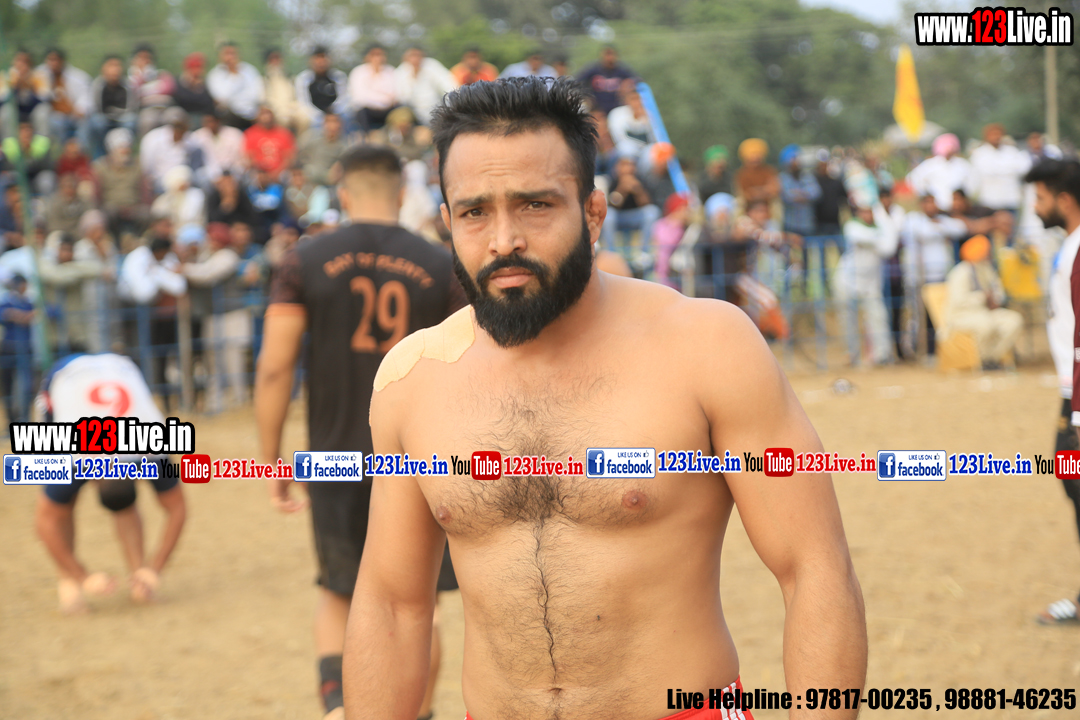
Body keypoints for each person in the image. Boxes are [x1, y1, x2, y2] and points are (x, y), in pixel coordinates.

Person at [345, 76, 866, 720]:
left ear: (593, 213)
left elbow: (814, 568)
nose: (504, 240)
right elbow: (393, 605)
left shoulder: (707, 346)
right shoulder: (412, 378)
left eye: (535, 205)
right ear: (447, 222)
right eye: (475, 212)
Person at [255, 144, 468, 720]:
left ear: (344, 194)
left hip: (333, 456)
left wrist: (272, 460)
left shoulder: (303, 260)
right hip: (418, 459)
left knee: (338, 591)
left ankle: (337, 709)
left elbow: (274, 367)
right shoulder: (440, 263)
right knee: (420, 602)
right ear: (401, 194)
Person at [33, 352, 186, 613]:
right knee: (62, 504)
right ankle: (69, 582)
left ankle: (140, 578)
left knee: (106, 502)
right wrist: (83, 576)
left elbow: (178, 509)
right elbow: (45, 521)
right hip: (64, 375)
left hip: (121, 367)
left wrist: (154, 569)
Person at [1026, 159, 1080, 624]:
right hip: (1070, 393)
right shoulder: (1070, 246)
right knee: (1071, 479)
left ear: (1064, 200)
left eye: (1040, 198)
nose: (1034, 207)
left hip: (1077, 398)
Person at [900, 194, 968, 357]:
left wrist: (940, 226)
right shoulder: (913, 220)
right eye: (927, 203)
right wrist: (940, 228)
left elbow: (961, 228)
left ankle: (938, 350)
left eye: (933, 203)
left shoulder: (942, 220)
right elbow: (922, 232)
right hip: (920, 278)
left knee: (939, 315)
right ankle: (918, 350)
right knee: (919, 316)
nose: (930, 206)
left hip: (940, 278)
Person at [944, 234, 1022, 369]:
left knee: (1013, 321)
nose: (988, 255)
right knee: (985, 325)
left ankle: (992, 358)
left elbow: (998, 291)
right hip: (962, 314)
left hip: (985, 312)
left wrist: (995, 300)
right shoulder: (961, 272)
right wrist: (982, 297)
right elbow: (959, 301)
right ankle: (983, 360)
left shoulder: (986, 269)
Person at [834, 203, 898, 366]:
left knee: (878, 317)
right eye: (863, 212)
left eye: (869, 212)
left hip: (870, 283)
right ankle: (852, 355)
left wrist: (880, 232)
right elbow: (859, 237)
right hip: (846, 280)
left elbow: (889, 248)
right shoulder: (852, 226)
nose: (866, 215)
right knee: (847, 320)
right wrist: (880, 237)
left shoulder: (881, 226)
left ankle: (882, 356)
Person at [601, 154, 660, 263]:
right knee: (608, 215)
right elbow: (613, 204)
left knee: (652, 211)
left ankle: (644, 253)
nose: (628, 168)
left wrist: (638, 190)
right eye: (624, 165)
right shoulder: (613, 180)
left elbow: (646, 204)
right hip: (619, 218)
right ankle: (611, 254)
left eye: (631, 165)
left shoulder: (641, 180)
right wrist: (622, 189)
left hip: (635, 217)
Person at [968, 123, 1032, 218]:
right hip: (989, 202)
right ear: (986, 136)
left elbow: (1023, 170)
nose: (996, 137)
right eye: (993, 134)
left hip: (1010, 200)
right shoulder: (979, 154)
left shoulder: (1012, 152)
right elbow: (974, 179)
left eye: (998, 134)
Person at [35, 47, 92, 147]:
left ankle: (82, 152)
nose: (54, 63)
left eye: (56, 60)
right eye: (50, 60)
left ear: (62, 61)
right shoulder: (39, 75)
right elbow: (41, 96)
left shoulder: (78, 76)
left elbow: (85, 97)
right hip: (54, 115)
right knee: (57, 123)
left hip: (74, 114)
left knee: (87, 124)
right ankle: (64, 152)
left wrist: (80, 109)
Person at [88, 55, 138, 160]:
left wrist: (117, 113)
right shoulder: (98, 85)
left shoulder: (128, 85)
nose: (115, 69)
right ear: (103, 69)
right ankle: (101, 156)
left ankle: (125, 155)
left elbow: (132, 106)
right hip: (104, 117)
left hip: (122, 117)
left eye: (117, 65)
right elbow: (95, 107)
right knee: (96, 122)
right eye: (111, 65)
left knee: (131, 121)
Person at [906, 132, 971, 213]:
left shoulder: (962, 164)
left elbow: (972, 184)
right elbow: (914, 179)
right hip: (936, 209)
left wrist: (963, 200)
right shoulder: (930, 164)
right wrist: (927, 197)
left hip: (958, 209)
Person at [0, 274, 35, 422]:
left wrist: (16, 315)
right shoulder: (7, 301)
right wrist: (22, 316)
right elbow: (5, 315)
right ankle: (11, 421)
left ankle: (25, 418)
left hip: (25, 346)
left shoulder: (28, 302)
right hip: (8, 347)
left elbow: (39, 313)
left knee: (27, 386)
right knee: (7, 386)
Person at [394, 46, 458, 127]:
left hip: (436, 110)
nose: (415, 59)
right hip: (412, 113)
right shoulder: (401, 71)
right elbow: (401, 97)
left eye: (417, 55)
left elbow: (449, 86)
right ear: (405, 58)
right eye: (412, 56)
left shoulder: (432, 66)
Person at [206, 42, 264, 131]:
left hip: (251, 114)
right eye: (227, 54)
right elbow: (222, 98)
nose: (230, 57)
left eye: (233, 53)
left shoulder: (249, 70)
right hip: (230, 117)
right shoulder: (215, 75)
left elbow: (257, 94)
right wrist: (234, 74)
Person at [139, 106, 196, 193]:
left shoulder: (190, 140)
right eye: (178, 126)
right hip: (160, 181)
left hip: (182, 180)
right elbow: (147, 166)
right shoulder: (153, 138)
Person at [348, 44, 397, 137]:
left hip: (388, 110)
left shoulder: (391, 71)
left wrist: (379, 98)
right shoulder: (358, 72)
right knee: (361, 113)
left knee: (401, 112)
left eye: (380, 55)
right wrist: (383, 98)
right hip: (367, 111)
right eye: (374, 55)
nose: (377, 58)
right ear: (367, 57)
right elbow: (359, 97)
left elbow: (395, 95)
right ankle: (367, 138)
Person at [127, 43, 175, 137]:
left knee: (176, 117)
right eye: (141, 58)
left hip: (166, 108)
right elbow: (134, 95)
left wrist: (146, 90)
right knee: (149, 121)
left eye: (147, 58)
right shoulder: (130, 81)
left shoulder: (162, 75)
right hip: (146, 111)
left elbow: (168, 89)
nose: (145, 62)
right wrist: (140, 77)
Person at [295, 46, 349, 127]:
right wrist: (321, 118)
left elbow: (343, 99)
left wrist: (332, 115)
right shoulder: (303, 79)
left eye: (323, 57)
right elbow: (304, 104)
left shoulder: (338, 76)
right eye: (317, 58)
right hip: (314, 118)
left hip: (336, 115)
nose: (321, 62)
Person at [575, 46, 637, 115]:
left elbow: (636, 80)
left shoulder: (622, 70)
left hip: (617, 106)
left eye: (612, 54)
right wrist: (586, 96)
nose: (609, 58)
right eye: (607, 54)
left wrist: (626, 85)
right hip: (598, 107)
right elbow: (577, 81)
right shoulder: (594, 70)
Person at [190, 110, 247, 181]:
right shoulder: (197, 136)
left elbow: (241, 158)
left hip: (233, 173)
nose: (210, 125)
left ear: (218, 121)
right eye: (207, 122)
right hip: (209, 175)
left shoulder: (234, 134)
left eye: (212, 121)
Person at [778, 144, 820, 237]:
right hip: (790, 225)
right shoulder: (782, 178)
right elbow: (786, 197)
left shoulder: (808, 176)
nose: (796, 163)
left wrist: (797, 194)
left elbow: (816, 193)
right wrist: (805, 194)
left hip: (807, 224)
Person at [244, 105, 296, 177]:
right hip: (259, 172)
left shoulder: (284, 133)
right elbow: (250, 158)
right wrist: (262, 173)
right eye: (263, 114)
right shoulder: (250, 133)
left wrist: (277, 173)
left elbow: (289, 157)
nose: (266, 116)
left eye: (268, 113)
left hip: (281, 172)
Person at [605, 84, 654, 160]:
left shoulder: (650, 114)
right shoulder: (617, 113)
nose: (637, 102)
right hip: (626, 152)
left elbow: (654, 139)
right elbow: (620, 139)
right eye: (633, 99)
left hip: (645, 153)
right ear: (626, 100)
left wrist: (644, 120)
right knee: (626, 148)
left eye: (639, 99)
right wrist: (635, 119)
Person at [262, 48, 305, 135]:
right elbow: (265, 100)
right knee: (284, 120)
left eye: (278, 58)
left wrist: (293, 106)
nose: (276, 61)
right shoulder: (265, 80)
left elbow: (295, 97)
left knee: (304, 119)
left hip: (291, 108)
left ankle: (300, 142)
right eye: (273, 59)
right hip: (275, 110)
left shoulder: (289, 78)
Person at [297, 112, 345, 187]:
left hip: (330, 184)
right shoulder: (312, 139)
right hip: (309, 183)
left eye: (335, 121)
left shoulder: (343, 146)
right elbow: (300, 157)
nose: (331, 125)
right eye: (328, 121)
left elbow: (337, 171)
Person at [813, 149, 848, 236]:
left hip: (834, 222)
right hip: (819, 223)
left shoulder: (836, 182)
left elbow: (845, 199)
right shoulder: (813, 182)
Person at [172, 52, 216, 119]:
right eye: (193, 67)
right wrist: (189, 85)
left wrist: (198, 87)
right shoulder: (178, 82)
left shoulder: (207, 84)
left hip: (203, 117)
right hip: (183, 117)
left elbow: (208, 103)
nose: (197, 71)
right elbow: (180, 100)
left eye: (199, 67)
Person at [735, 138, 779, 204]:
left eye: (758, 154)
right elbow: (744, 194)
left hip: (767, 204)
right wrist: (763, 190)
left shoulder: (769, 171)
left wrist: (756, 192)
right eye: (752, 154)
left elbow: (774, 190)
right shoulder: (741, 174)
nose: (755, 157)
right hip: (748, 205)